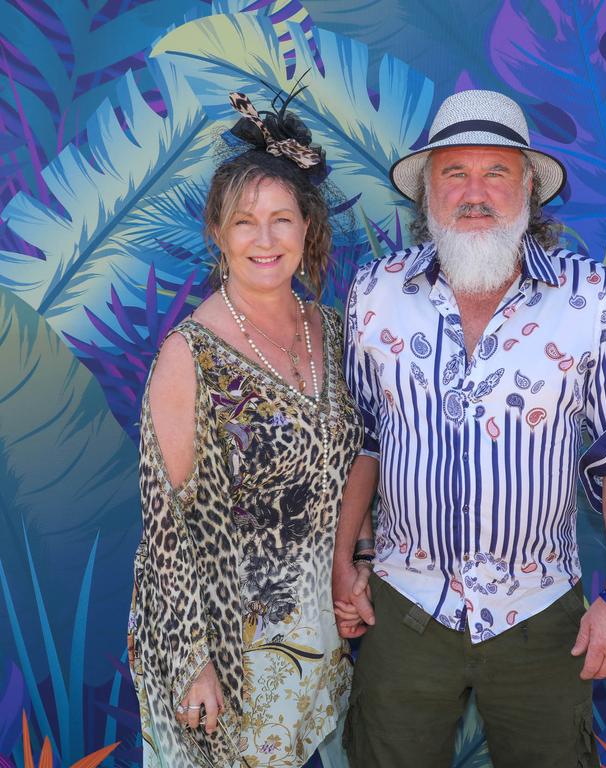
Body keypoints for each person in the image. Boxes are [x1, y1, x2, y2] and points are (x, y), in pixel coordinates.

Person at [334, 89, 606, 768]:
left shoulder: (594, 297)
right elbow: (366, 439)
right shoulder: (375, 293)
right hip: (405, 606)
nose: (474, 193)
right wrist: (351, 558)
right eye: (454, 173)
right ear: (428, 190)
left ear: (528, 190)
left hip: (540, 615)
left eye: (496, 173)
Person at [128, 90, 366, 767]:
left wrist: (360, 564)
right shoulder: (190, 356)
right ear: (219, 233)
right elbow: (167, 531)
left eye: (281, 220)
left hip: (319, 643)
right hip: (225, 654)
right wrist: (192, 663)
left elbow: (356, 465)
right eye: (244, 223)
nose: (265, 240)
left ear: (308, 230)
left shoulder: (336, 334)